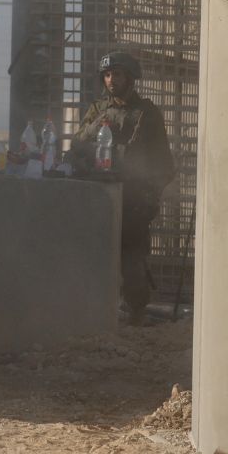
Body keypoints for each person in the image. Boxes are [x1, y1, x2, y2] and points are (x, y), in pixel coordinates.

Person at [71, 49, 176, 324]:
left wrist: (149, 196)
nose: (111, 80)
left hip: (132, 198)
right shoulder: (97, 111)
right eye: (106, 75)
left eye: (116, 74)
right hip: (100, 196)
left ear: (130, 78)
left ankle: (135, 315)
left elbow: (163, 163)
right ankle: (94, 311)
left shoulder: (147, 113)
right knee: (93, 255)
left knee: (132, 261)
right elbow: (77, 148)